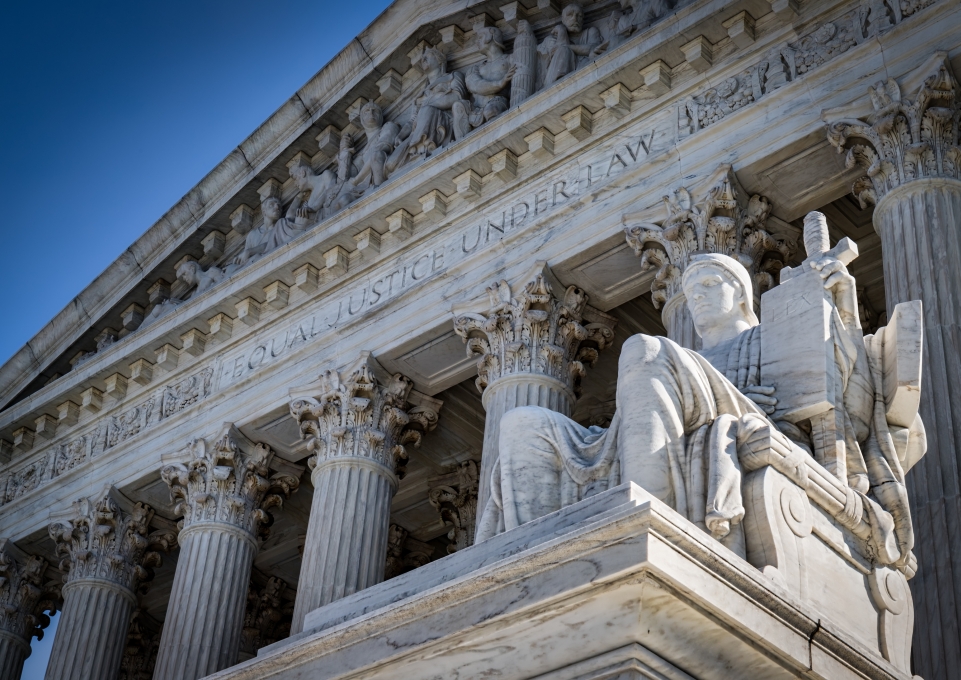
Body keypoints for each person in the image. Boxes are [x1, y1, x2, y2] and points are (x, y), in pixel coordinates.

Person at [477, 250, 923, 568]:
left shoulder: (769, 340)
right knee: (522, 423)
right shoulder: (682, 360)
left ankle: (648, 522)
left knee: (645, 350)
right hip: (662, 438)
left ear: (744, 295)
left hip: (753, 425)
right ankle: (524, 566)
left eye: (711, 285)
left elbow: (853, 407)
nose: (699, 298)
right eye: (691, 291)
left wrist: (840, 312)